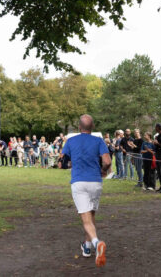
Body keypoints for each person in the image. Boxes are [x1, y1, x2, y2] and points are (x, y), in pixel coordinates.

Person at [62, 114, 110, 268]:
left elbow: (62, 162)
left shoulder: (70, 141)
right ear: (93, 127)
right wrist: (103, 170)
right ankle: (87, 247)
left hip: (79, 181)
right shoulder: (99, 141)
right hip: (95, 181)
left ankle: (97, 243)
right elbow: (107, 161)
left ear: (79, 127)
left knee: (86, 219)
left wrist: (66, 163)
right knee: (91, 215)